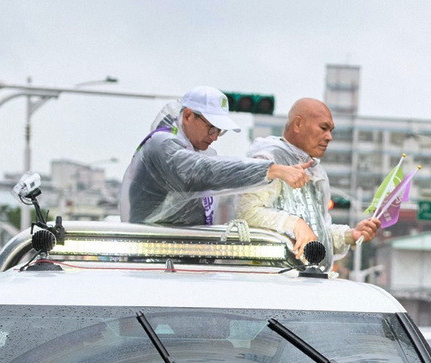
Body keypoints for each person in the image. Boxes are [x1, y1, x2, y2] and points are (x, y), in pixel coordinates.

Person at [119, 86, 312, 226]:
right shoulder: (162, 144)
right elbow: (201, 171)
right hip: (154, 259)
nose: (214, 137)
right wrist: (271, 169)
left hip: (176, 255)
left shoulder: (187, 148)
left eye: (219, 131)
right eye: (211, 127)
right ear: (188, 116)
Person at [236, 98, 379, 263]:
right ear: (298, 124)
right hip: (268, 276)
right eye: (323, 128)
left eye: (331, 130)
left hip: (306, 278)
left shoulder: (316, 171)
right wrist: (296, 224)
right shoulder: (269, 159)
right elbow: (246, 212)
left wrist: (350, 235)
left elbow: (317, 232)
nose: (329, 137)